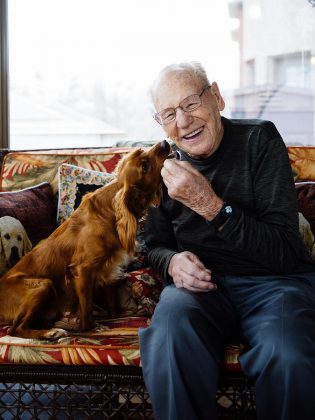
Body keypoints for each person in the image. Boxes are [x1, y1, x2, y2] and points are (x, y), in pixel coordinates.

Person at [138, 61, 315, 420]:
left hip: (274, 284)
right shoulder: (161, 165)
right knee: (170, 336)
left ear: (216, 97)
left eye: (190, 104)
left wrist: (209, 205)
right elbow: (151, 246)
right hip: (201, 291)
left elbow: (283, 252)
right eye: (169, 113)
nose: (184, 122)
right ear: (159, 122)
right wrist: (172, 262)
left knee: (289, 353)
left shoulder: (259, 139)